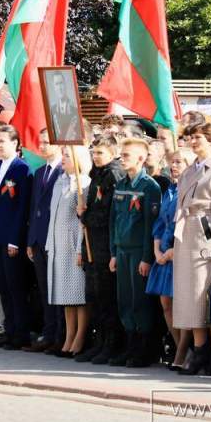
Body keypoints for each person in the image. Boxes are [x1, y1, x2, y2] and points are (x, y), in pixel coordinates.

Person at [173, 122, 211, 376]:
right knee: (191, 295)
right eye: (191, 137)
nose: (193, 141)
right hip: (188, 232)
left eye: (198, 137)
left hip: (209, 231)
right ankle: (199, 349)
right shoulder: (189, 170)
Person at [109, 137, 159, 368]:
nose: (121, 158)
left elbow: (151, 225)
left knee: (140, 302)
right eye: (121, 154)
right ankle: (130, 347)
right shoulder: (121, 184)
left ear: (141, 158)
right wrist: (112, 252)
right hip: (121, 250)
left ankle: (144, 350)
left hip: (139, 251)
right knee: (124, 301)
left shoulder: (149, 187)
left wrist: (147, 257)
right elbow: (113, 220)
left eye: (126, 155)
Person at [0, 125, 32, 350]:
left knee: (15, 286)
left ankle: (20, 333)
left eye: (2, 141)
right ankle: (8, 329)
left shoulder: (22, 169)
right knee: (1, 285)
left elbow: (22, 208)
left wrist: (15, 239)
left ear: (15, 144)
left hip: (11, 237)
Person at [82, 135, 127, 364]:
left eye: (100, 152)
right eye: (94, 152)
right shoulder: (96, 174)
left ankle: (111, 344)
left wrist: (87, 214)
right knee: (94, 297)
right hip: (92, 243)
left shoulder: (114, 174)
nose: (95, 156)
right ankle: (99, 342)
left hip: (105, 244)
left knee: (107, 298)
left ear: (112, 153)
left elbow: (110, 212)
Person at [148, 147, 193, 369]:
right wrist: (157, 250)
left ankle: (184, 352)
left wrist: (174, 250)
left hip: (181, 252)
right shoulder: (170, 190)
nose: (174, 166)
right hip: (164, 251)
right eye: (172, 162)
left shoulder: (190, 189)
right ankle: (179, 347)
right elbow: (160, 223)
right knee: (166, 302)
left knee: (181, 303)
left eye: (179, 162)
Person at [46, 145, 91, 357]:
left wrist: (81, 248)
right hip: (58, 245)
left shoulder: (84, 183)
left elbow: (83, 221)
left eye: (67, 155)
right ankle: (69, 335)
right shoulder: (60, 180)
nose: (62, 158)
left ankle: (80, 336)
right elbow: (52, 216)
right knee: (65, 295)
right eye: (62, 154)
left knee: (78, 294)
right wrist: (49, 243)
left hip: (74, 246)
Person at [26, 128, 64, 354]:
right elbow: (34, 209)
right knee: (44, 289)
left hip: (56, 239)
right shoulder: (40, 172)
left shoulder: (65, 170)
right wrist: (31, 240)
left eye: (46, 142)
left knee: (58, 289)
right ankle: (48, 333)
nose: (42, 146)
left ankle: (60, 335)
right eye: (40, 142)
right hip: (39, 239)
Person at [47, 71, 81, 143]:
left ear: (65, 85)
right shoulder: (51, 110)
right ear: (54, 87)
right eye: (57, 84)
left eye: (61, 83)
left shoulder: (75, 110)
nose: (60, 88)